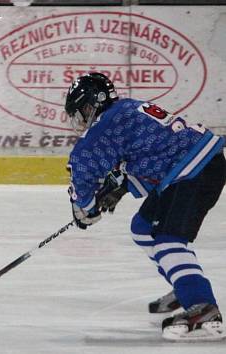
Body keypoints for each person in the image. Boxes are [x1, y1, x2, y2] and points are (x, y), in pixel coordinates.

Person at [64, 72, 225, 341]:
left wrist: (85, 206)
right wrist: (120, 189)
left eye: (82, 111)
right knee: (142, 227)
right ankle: (183, 282)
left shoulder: (107, 123)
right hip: (191, 166)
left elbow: (82, 165)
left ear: (94, 102)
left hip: (194, 171)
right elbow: (151, 157)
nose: (81, 120)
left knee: (168, 241)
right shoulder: (125, 111)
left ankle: (203, 307)